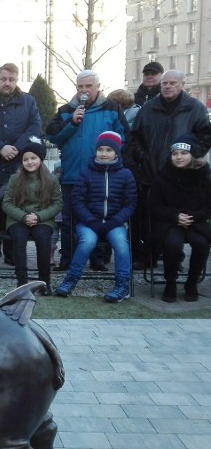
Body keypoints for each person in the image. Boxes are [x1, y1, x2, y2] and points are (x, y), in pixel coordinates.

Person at [124, 69, 211, 266]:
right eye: (165, 83)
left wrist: (190, 155)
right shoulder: (149, 108)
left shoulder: (195, 108)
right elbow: (135, 137)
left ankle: (174, 258)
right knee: (149, 219)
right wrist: (142, 156)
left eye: (173, 83)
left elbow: (206, 137)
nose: (168, 86)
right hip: (151, 173)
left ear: (182, 84)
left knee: (177, 217)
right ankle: (150, 257)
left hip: (182, 177)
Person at [46, 69, 127, 272]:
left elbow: (124, 138)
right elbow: (53, 136)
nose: (84, 90)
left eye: (88, 86)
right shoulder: (66, 110)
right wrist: (72, 121)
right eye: (80, 86)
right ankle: (67, 259)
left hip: (101, 177)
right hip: (72, 176)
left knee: (99, 218)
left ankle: (98, 260)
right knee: (69, 220)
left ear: (97, 87)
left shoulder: (111, 108)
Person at [0, 62, 42, 267]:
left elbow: (35, 126)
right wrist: (0, 147)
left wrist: (16, 148)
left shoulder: (28, 102)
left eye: (11, 80)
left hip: (17, 168)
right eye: (3, 79)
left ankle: (12, 254)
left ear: (16, 80)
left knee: (13, 212)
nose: (7, 83)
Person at [55, 132, 136, 302]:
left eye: (108, 150)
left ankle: (122, 285)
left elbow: (130, 204)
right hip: (88, 222)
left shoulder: (126, 174)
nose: (104, 153)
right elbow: (77, 201)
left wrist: (116, 221)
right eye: (100, 149)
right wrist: (91, 221)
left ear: (116, 152)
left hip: (115, 223)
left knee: (121, 244)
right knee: (87, 242)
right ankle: (70, 280)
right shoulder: (86, 173)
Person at [148, 134, 211, 303]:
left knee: (202, 243)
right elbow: (154, 207)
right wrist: (175, 216)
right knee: (173, 244)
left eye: (184, 153)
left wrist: (192, 216)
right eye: (175, 153)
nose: (179, 157)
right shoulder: (163, 176)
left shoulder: (204, 176)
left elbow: (208, 207)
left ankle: (192, 282)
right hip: (169, 222)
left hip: (195, 221)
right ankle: (171, 283)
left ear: (192, 155)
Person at [1, 138, 62, 294]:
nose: (29, 162)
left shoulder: (51, 180)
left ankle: (44, 282)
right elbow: (7, 203)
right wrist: (23, 217)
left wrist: (39, 217)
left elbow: (57, 204)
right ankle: (22, 282)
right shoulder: (15, 179)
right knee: (19, 238)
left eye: (33, 158)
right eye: (26, 159)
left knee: (43, 238)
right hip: (18, 218)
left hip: (42, 219)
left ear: (40, 159)